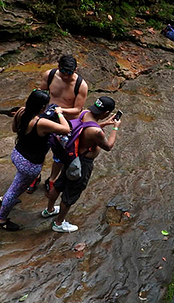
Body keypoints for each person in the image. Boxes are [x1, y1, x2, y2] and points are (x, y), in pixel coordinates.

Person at [0, 90, 71, 231]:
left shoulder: (21, 112)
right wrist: (59, 113)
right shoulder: (40, 123)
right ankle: (1, 220)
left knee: (18, 181)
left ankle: (4, 199)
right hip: (30, 164)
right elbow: (65, 129)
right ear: (42, 107)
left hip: (17, 154)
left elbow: (13, 129)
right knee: (16, 189)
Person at [45, 96, 121, 233]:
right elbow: (108, 146)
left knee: (59, 185)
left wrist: (104, 123)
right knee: (71, 193)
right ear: (107, 112)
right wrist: (115, 128)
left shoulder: (84, 113)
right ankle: (59, 223)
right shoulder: (96, 132)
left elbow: (85, 128)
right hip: (82, 163)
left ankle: (49, 210)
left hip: (71, 157)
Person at [27, 54, 89, 194]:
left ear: (76, 69)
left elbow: (77, 110)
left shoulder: (81, 85)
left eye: (70, 73)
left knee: (60, 154)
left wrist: (60, 111)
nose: (66, 76)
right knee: (38, 148)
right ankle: (35, 176)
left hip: (64, 120)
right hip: (46, 116)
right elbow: (42, 93)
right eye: (63, 72)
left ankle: (52, 178)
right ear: (58, 67)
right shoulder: (50, 75)